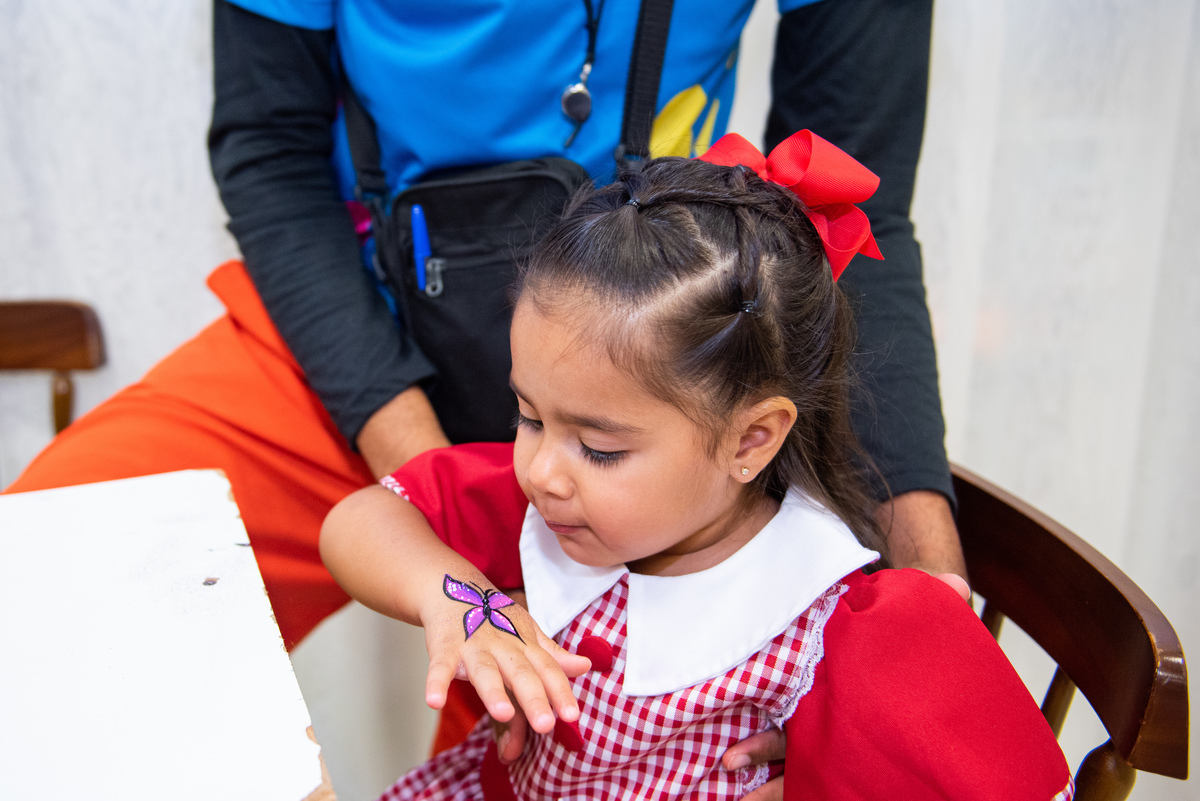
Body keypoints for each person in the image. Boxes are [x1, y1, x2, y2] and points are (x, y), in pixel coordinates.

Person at [320, 135, 1071, 800]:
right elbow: (360, 521)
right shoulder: (552, 511)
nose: (541, 468)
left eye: (601, 447)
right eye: (529, 417)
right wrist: (460, 599)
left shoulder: (823, 621)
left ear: (751, 441)